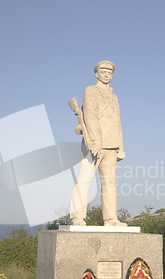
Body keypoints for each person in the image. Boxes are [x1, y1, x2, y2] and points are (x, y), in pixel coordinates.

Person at [69, 60, 127, 226]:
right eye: (103, 72)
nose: (107, 75)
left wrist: (120, 146)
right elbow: (91, 116)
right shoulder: (90, 91)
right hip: (94, 142)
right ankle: (77, 215)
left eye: (109, 72)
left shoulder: (114, 97)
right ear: (97, 74)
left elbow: (118, 122)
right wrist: (95, 140)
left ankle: (110, 218)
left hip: (112, 143)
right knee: (85, 178)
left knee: (109, 182)